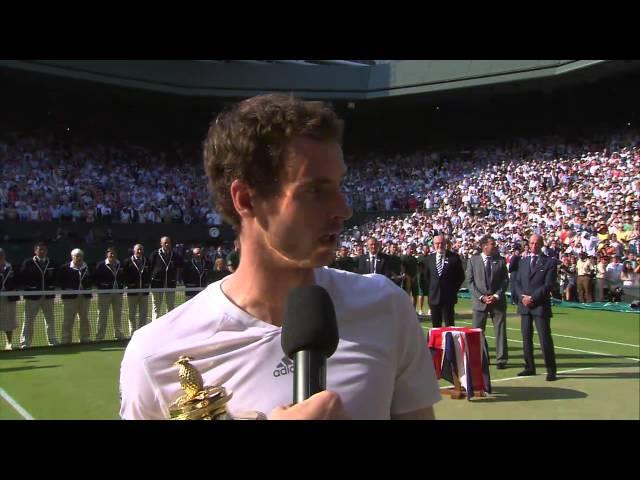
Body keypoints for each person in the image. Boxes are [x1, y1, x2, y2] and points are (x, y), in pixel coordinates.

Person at [120, 94, 441, 420]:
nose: (344, 209)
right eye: (315, 191)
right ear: (245, 199)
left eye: (339, 185)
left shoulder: (386, 306)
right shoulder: (158, 355)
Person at [513, 234, 558, 381]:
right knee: (526, 338)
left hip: (540, 305)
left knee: (544, 338)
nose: (533, 246)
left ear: (541, 244)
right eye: (531, 243)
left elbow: (548, 285)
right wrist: (523, 297)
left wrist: (533, 298)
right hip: (525, 306)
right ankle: (529, 366)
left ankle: (551, 369)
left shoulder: (549, 262)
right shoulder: (523, 261)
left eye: (536, 243)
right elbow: (517, 282)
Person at [466, 236, 509, 369]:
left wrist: (496, 295)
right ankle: (482, 357)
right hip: (480, 303)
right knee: (477, 332)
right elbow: (470, 282)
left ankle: (501, 359)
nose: (494, 246)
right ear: (484, 246)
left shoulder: (500, 261)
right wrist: (481, 297)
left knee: (500, 330)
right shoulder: (473, 261)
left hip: (497, 301)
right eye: (492, 244)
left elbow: (505, 281)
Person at [19, 242, 59, 348]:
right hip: (33, 297)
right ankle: (25, 342)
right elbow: (22, 277)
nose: (42, 251)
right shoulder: (28, 263)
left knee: (50, 319)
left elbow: (56, 278)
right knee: (28, 319)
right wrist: (31, 288)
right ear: (35, 251)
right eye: (40, 249)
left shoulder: (52, 263)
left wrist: (50, 288)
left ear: (47, 251)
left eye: (44, 249)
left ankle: (52, 341)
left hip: (48, 297)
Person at [423, 234, 465, 328]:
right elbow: (426, 277)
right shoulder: (429, 259)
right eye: (437, 243)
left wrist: (452, 290)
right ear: (433, 244)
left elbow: (460, 277)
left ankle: (449, 343)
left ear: (445, 244)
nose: (439, 245)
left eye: (441, 243)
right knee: (436, 326)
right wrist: (432, 290)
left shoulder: (454, 258)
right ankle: (436, 343)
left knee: (449, 325)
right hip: (434, 298)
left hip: (448, 298)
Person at [56, 248, 92, 344]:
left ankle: (85, 338)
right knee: (68, 319)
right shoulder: (65, 268)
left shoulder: (87, 267)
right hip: (70, 298)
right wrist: (69, 289)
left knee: (84, 318)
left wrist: (88, 287)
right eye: (76, 256)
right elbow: (60, 281)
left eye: (80, 256)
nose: (78, 258)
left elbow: (92, 279)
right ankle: (66, 340)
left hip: (84, 297)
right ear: (72, 257)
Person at [94, 247, 126, 341]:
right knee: (102, 315)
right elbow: (96, 278)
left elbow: (124, 277)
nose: (112, 255)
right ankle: (99, 337)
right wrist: (102, 287)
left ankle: (119, 335)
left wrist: (122, 286)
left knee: (118, 315)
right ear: (107, 255)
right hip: (105, 294)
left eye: (114, 253)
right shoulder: (101, 265)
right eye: (110, 253)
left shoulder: (120, 264)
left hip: (118, 294)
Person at [149, 236, 183, 320]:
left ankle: (169, 327)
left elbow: (179, 267)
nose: (167, 244)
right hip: (157, 284)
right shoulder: (154, 254)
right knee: (156, 308)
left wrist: (177, 278)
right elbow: (149, 267)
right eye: (165, 242)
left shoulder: (174, 254)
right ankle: (155, 328)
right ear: (161, 243)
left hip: (170, 283)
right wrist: (151, 280)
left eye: (169, 242)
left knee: (170, 307)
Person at [122, 244, 151, 334]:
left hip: (144, 291)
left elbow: (150, 273)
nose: (139, 251)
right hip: (132, 291)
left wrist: (147, 284)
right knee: (132, 313)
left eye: (141, 249)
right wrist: (129, 285)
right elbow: (123, 275)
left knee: (144, 313)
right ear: (134, 250)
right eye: (138, 249)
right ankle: (132, 332)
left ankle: (142, 332)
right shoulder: (127, 261)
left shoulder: (147, 261)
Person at [0, 248, 19, 350]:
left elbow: (18, 279)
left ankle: (9, 343)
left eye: (1, 255)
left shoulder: (11, 266)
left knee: (9, 320)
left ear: (4, 256)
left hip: (9, 297)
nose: (0, 256)